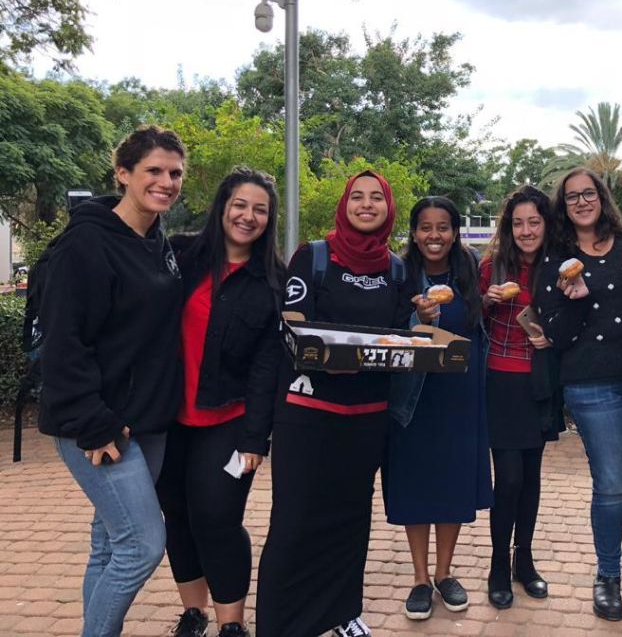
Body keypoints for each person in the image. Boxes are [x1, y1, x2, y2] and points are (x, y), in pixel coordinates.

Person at [37, 125, 186, 637]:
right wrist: (94, 425)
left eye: (175, 173)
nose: (166, 182)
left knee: (109, 542)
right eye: (154, 171)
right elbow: (62, 344)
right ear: (123, 173)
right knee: (142, 545)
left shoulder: (155, 241)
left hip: (148, 422)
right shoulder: (85, 245)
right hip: (100, 426)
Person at [256, 170, 417, 637]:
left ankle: (341, 612)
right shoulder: (314, 256)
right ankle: (279, 623)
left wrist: (419, 328)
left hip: (366, 417)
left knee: (350, 518)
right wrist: (327, 360)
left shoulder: (398, 269)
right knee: (295, 518)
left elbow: (402, 337)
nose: (367, 205)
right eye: (358, 198)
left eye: (376, 199)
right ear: (345, 205)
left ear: (388, 209)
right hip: (307, 414)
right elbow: (292, 321)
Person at [158, 167, 284, 637]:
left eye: (260, 209)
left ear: (268, 220)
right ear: (223, 206)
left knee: (217, 517)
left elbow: (266, 367)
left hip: (229, 419)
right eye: (240, 205)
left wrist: (256, 437)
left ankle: (232, 622)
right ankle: (194, 612)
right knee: (178, 514)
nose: (248, 216)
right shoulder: (181, 255)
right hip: (165, 415)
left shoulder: (273, 280)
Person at [533, 167, 622, 621]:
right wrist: (575, 300)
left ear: (602, 197)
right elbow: (554, 333)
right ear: (563, 205)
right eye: (572, 196)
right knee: (612, 484)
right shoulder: (557, 257)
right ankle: (608, 576)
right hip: (592, 383)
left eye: (588, 193)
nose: (581, 202)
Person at [386, 196, 493, 621]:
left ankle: (445, 572)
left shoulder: (470, 271)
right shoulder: (400, 274)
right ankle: (419, 578)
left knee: (451, 483)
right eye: (426, 227)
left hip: (460, 394)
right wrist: (421, 322)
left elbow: (478, 325)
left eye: (443, 227)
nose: (435, 236)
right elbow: (388, 335)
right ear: (414, 232)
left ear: (455, 231)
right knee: (416, 484)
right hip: (413, 395)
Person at [479, 186, 564, 609]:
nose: (526, 230)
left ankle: (523, 561)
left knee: (530, 478)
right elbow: (468, 317)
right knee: (508, 478)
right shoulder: (492, 266)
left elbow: (577, 319)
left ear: (546, 224)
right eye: (518, 223)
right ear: (508, 228)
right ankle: (497, 564)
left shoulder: (560, 269)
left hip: (540, 383)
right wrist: (485, 300)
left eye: (534, 222)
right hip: (500, 379)